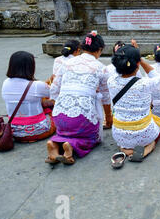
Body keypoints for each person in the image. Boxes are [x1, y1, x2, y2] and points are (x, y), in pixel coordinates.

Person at [48, 31, 112, 165]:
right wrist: (109, 119)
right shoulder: (101, 68)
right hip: (81, 119)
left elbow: (53, 89)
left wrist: (60, 107)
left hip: (59, 117)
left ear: (82, 48)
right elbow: (106, 99)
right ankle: (70, 147)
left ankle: (54, 144)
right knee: (92, 137)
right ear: (99, 50)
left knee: (65, 131)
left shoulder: (67, 63)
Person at [108, 45, 160, 164]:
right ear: (137, 64)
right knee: (158, 127)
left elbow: (120, 74)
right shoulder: (145, 84)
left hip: (119, 133)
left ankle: (126, 150)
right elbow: (157, 76)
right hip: (144, 132)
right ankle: (146, 149)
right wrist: (141, 60)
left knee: (124, 143)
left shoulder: (111, 81)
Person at [2, 51, 56, 144]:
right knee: (53, 108)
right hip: (39, 131)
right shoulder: (37, 85)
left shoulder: (5, 83)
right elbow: (54, 94)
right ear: (31, 67)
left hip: (15, 133)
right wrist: (52, 80)